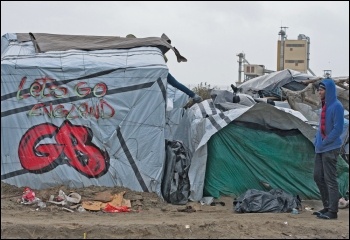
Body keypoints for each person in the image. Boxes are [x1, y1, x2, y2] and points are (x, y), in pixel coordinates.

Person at [125, 34, 202, 103]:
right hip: (158, 68)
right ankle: (193, 95)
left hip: (152, 70)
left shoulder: (136, 50)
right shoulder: (146, 48)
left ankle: (193, 95)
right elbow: (165, 59)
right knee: (174, 83)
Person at [312, 78, 344, 220]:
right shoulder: (324, 107)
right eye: (319, 89)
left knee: (330, 179)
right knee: (318, 176)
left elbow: (338, 129)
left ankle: (333, 211)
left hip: (331, 148)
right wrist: (317, 141)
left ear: (329, 90)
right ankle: (326, 206)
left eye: (322, 89)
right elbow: (321, 127)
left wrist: (325, 141)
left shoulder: (337, 106)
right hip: (321, 147)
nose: (319, 92)